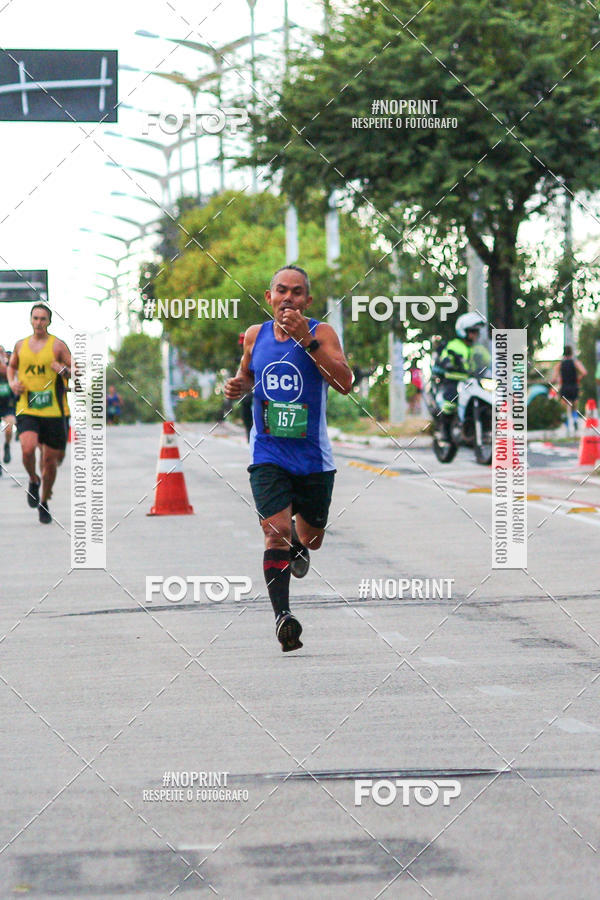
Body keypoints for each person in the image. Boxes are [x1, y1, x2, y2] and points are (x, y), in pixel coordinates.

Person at [224, 265, 353, 652]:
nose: (289, 298)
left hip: (313, 457)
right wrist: (238, 385)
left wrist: (306, 341)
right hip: (268, 452)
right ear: (269, 297)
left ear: (307, 301)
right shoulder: (254, 336)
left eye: (297, 293)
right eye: (282, 290)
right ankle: (283, 617)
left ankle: (300, 539)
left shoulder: (322, 334)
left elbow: (344, 383)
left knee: (311, 540)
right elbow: (248, 375)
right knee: (273, 531)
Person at [7, 303, 71, 524]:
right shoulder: (20, 345)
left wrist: (63, 370)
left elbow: (76, 371)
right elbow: (11, 367)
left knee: (50, 461)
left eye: (43, 319)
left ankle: (44, 501)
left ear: (49, 321)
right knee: (27, 449)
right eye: (35, 318)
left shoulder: (58, 346)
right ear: (30, 320)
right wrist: (12, 382)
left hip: (53, 411)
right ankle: (33, 480)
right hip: (27, 408)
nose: (39, 323)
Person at [434, 311, 486, 441]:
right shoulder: (454, 345)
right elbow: (445, 357)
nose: (475, 335)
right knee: (449, 404)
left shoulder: (479, 348)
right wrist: (447, 363)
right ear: (463, 331)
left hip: (473, 381)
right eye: (472, 331)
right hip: (455, 380)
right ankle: (445, 431)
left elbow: (490, 360)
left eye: (477, 332)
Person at [551, 346, 587, 436]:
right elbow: (584, 372)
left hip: (565, 387)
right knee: (574, 405)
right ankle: (575, 421)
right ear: (571, 353)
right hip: (574, 385)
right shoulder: (575, 362)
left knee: (564, 407)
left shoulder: (560, 364)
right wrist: (578, 378)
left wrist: (556, 380)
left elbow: (554, 378)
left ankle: (566, 425)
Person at [0, 344, 17, 473]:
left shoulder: (9, 365)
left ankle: (7, 445)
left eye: (1, 352)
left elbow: (7, 373)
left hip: (7, 404)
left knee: (9, 428)